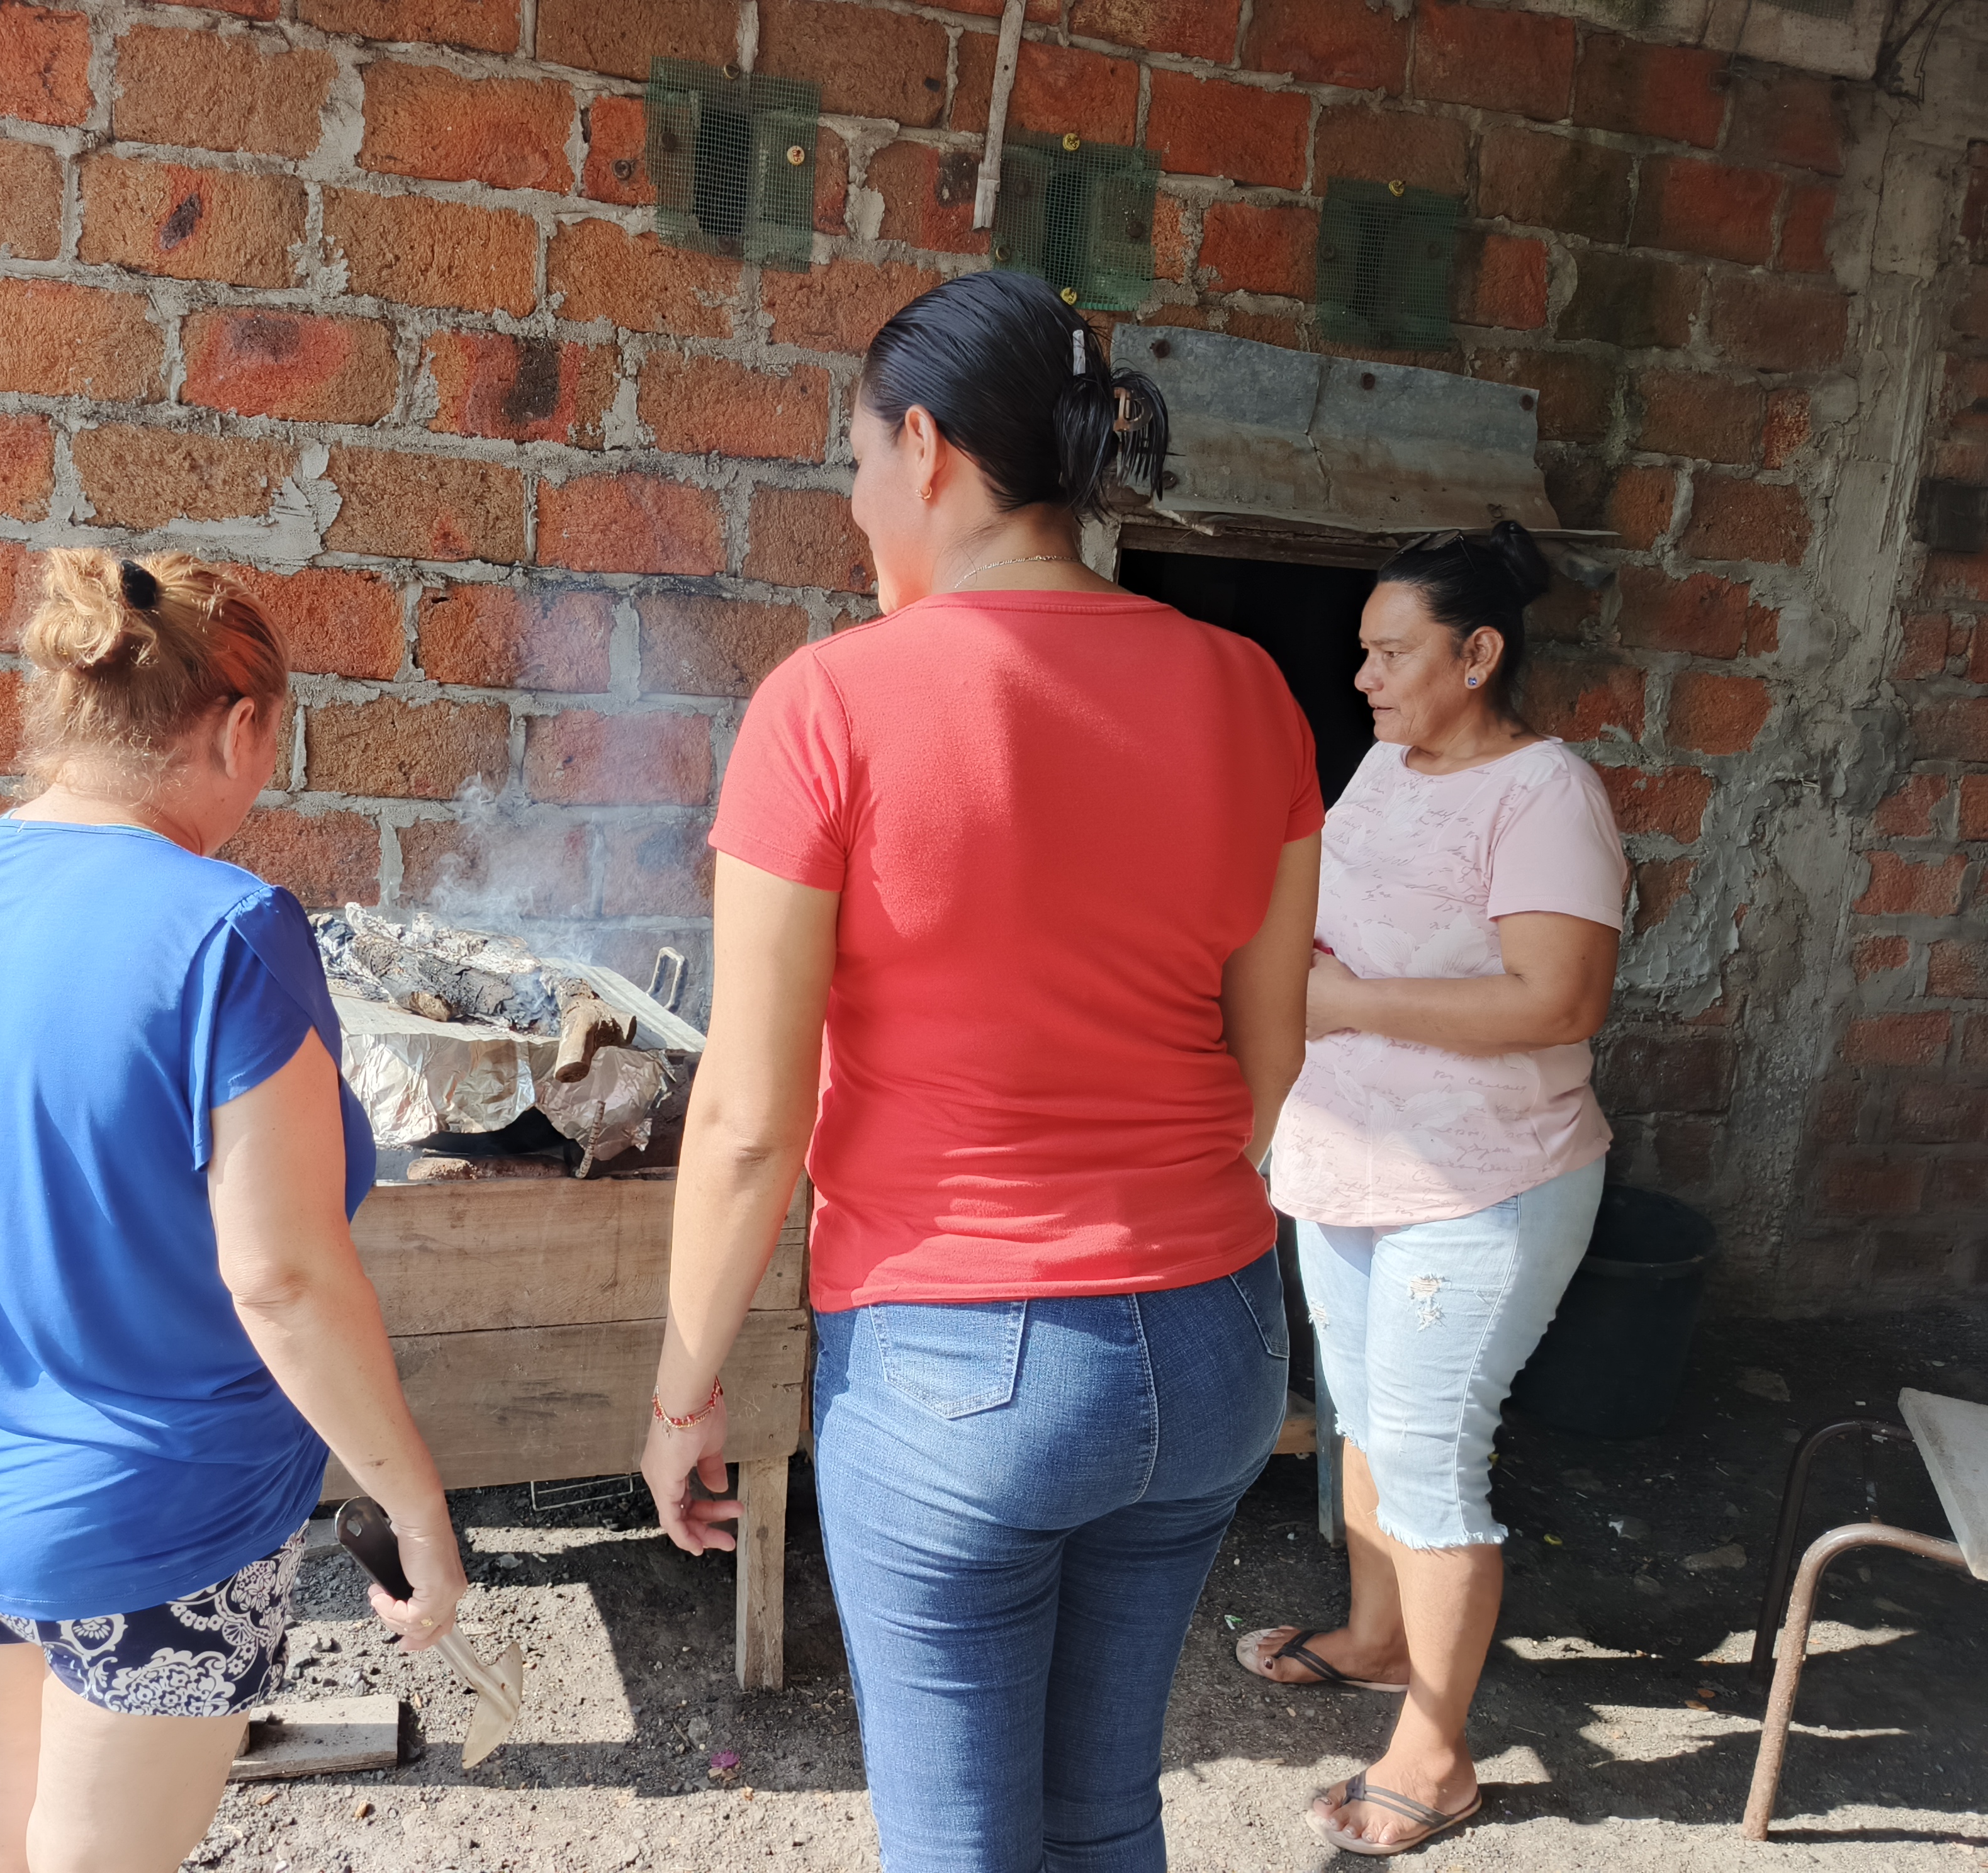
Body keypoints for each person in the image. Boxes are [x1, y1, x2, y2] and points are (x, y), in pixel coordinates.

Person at [637, 270, 1324, 1873]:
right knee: (1105, 1813)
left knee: (958, 1840)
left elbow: (747, 1122)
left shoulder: (828, 703)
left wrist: (684, 1393)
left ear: (926, 448)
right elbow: (1272, 1057)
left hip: (962, 1362)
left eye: (857, 461)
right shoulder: (1250, 690)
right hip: (1218, 1340)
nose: (852, 503)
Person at [0, 550, 465, 1873]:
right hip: (150, 1509)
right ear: (239, 727)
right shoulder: (231, 930)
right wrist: (416, 1511)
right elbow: (281, 1280)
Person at [1245, 524, 1627, 1858]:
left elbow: (1559, 1000)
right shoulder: (1384, 768)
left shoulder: (1545, 795)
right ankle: (1377, 1636)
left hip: (1479, 1184)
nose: (1362, 677)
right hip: (1349, 1158)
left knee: (1426, 1455)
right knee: (1361, 1422)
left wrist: (1345, 1000)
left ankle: (1439, 1757)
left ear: (1477, 655)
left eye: (1391, 654)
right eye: (1363, 653)